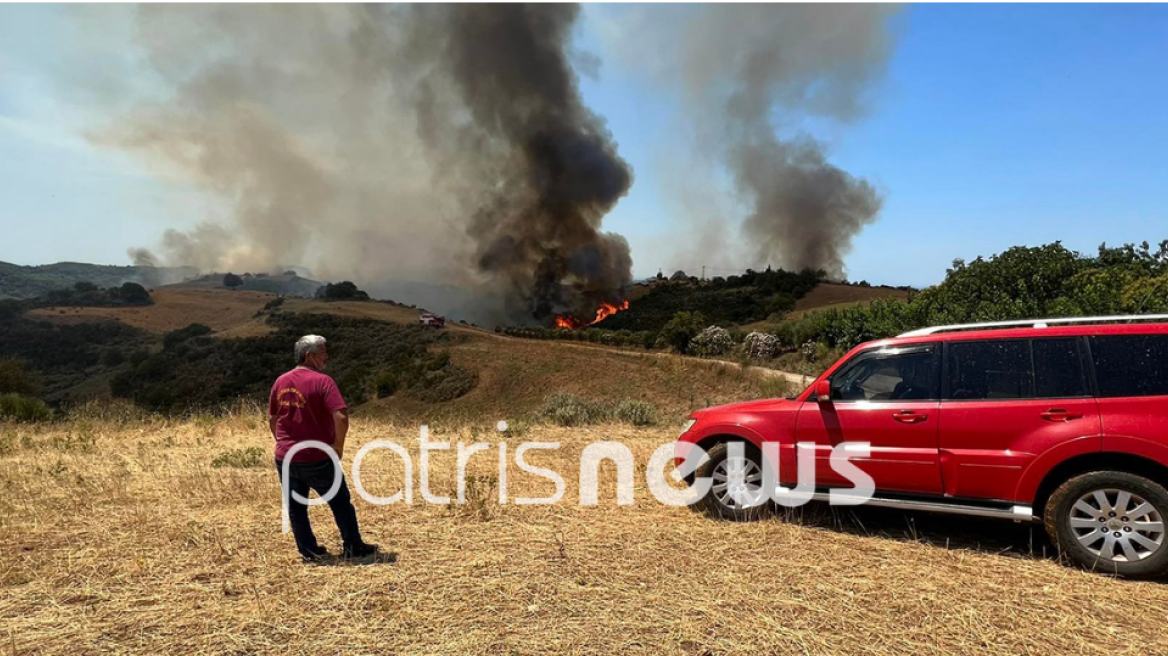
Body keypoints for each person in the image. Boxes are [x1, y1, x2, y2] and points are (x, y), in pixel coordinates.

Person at [270, 334, 378, 562]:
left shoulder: (280, 381)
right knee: (340, 502)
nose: (326, 357)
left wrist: (282, 443)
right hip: (315, 455)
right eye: (323, 352)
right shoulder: (322, 381)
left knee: (296, 506)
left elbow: (273, 418)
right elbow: (341, 415)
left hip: (286, 457)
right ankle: (353, 546)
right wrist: (337, 446)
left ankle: (308, 551)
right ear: (309, 355)